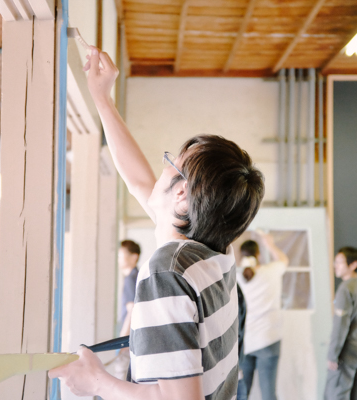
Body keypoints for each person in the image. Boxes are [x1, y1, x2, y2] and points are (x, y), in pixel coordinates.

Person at [48, 46, 265, 400]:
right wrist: (102, 98)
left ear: (181, 195)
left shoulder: (169, 272)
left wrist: (96, 382)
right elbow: (137, 181)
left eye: (171, 162)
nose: (163, 167)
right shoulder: (213, 253)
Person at [236, 233, 289, 400]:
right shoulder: (271, 271)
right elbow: (284, 260)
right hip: (269, 339)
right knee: (269, 394)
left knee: (242, 393)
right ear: (258, 254)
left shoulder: (236, 276)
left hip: (245, 342)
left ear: (242, 256)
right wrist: (270, 244)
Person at [324, 247, 357, 400]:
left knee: (337, 393)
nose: (335, 266)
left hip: (347, 350)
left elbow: (340, 324)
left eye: (339, 262)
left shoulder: (346, 288)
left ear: (353, 265)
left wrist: (333, 354)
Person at [109, 239, 141, 380]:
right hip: (137, 339)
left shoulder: (130, 279)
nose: (119, 259)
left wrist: (121, 341)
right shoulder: (139, 276)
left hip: (128, 340)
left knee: (121, 376)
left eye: (121, 255)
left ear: (134, 257)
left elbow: (131, 311)